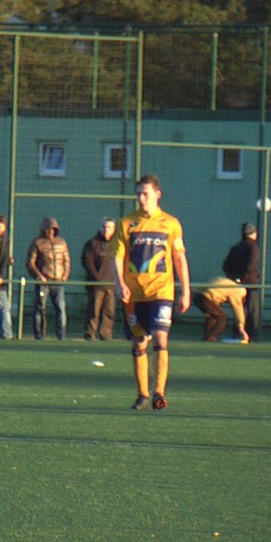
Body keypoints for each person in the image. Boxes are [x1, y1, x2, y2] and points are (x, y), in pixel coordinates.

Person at [112, 174, 190, 411]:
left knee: (160, 336)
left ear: (158, 195)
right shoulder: (126, 223)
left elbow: (179, 258)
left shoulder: (170, 224)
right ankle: (142, 395)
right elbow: (117, 257)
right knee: (138, 343)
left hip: (161, 292)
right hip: (134, 294)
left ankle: (159, 393)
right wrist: (119, 284)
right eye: (138, 194)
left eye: (145, 194)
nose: (141, 198)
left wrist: (186, 291)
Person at [25, 216, 71, 340]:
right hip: (43, 282)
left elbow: (67, 261)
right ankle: (39, 335)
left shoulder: (62, 243)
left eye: (53, 229)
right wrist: (39, 276)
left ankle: (61, 335)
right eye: (48, 229)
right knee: (40, 309)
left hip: (58, 281)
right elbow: (30, 262)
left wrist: (65, 276)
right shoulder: (37, 243)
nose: (50, 232)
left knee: (60, 309)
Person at [222, 222, 261, 341]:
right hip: (251, 283)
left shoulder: (235, 248)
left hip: (236, 284)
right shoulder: (253, 248)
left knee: (238, 308)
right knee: (252, 310)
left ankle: (238, 332)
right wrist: (244, 278)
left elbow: (226, 265)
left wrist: (234, 279)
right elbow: (251, 265)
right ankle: (251, 334)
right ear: (254, 233)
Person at [82, 217, 117, 341]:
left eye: (109, 227)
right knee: (93, 311)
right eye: (104, 227)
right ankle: (90, 334)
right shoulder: (93, 244)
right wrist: (97, 277)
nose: (106, 229)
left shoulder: (117, 244)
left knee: (109, 312)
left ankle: (106, 335)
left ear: (114, 229)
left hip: (111, 285)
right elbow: (87, 262)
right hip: (96, 285)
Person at [192, 277, 249, 343]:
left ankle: (206, 338)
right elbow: (237, 309)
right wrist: (241, 328)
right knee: (223, 318)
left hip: (197, 296)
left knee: (212, 317)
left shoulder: (226, 283)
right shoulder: (237, 291)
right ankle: (212, 338)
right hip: (206, 298)